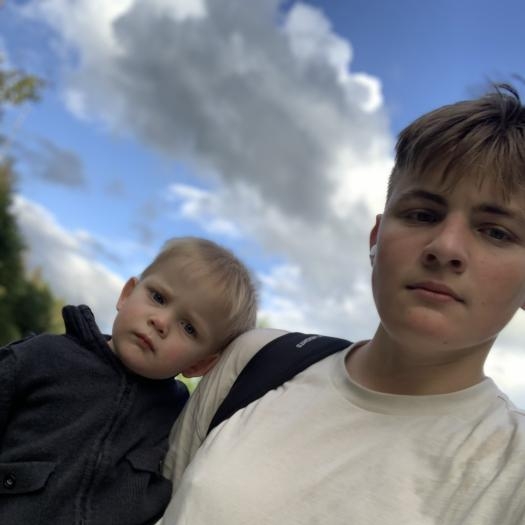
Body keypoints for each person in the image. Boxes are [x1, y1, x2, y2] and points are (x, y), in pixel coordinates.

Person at [160, 85, 525, 525]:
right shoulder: (253, 361)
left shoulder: (512, 472)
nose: (445, 247)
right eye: (422, 214)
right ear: (376, 239)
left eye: (496, 232)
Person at [0, 237, 257, 525]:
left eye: (188, 327)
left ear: (199, 364)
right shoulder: (45, 356)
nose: (161, 322)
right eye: (158, 298)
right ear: (127, 294)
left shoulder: (179, 420)